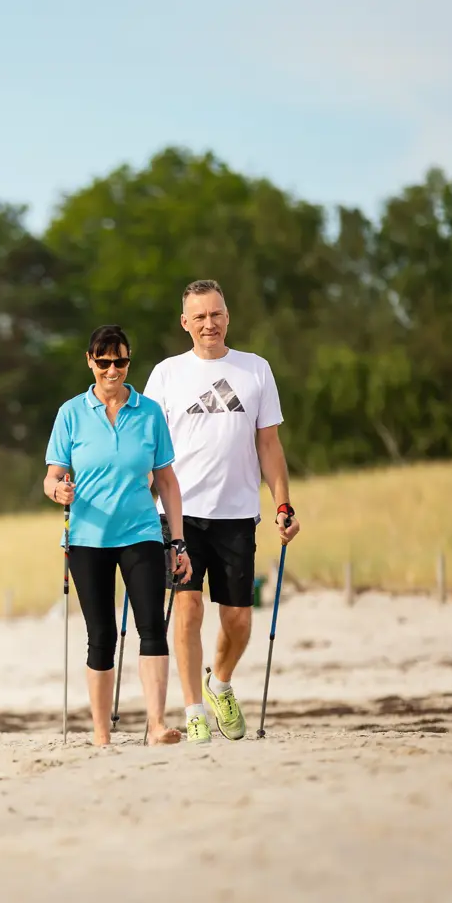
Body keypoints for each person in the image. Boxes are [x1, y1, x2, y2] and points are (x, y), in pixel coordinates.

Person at [143, 279, 301, 743]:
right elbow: (147, 446)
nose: (208, 323)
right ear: (184, 323)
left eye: (216, 314)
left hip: (237, 513)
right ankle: (193, 709)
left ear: (227, 316)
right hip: (179, 514)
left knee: (238, 620)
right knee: (188, 610)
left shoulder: (255, 370)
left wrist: (283, 504)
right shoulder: (167, 374)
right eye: (199, 316)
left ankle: (220, 683)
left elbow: (269, 444)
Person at [44, 325, 194, 746]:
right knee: (102, 635)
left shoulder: (149, 413)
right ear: (90, 361)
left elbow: (167, 481)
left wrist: (177, 541)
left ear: (130, 362)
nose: (112, 370)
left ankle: (157, 724)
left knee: (151, 626)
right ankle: (100, 732)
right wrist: (59, 490)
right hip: (87, 538)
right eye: (104, 361)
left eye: (121, 361)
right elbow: (52, 476)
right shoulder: (71, 413)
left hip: (141, 533)